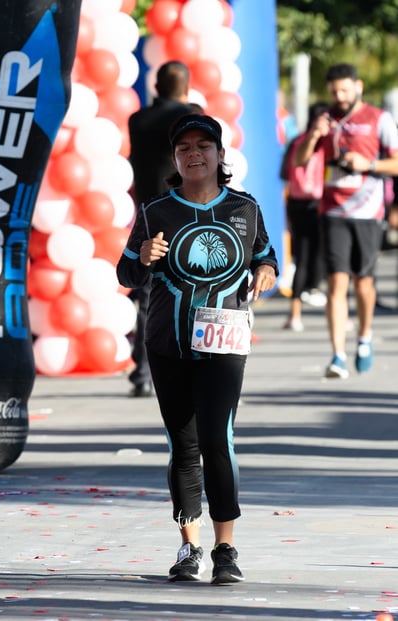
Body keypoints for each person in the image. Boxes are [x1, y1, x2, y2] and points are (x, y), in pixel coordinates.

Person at [117, 114, 278, 583]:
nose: (194, 154)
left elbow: (264, 255)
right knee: (183, 446)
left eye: (203, 146)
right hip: (167, 342)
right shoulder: (155, 211)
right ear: (175, 159)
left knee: (217, 439)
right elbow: (127, 274)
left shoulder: (245, 209)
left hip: (224, 341)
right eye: (184, 148)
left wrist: (266, 272)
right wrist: (142, 256)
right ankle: (190, 547)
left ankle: (226, 549)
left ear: (220, 155)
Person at [294, 63, 398, 378]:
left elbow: (396, 164)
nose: (339, 96)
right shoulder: (325, 120)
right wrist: (314, 135)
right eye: (334, 91)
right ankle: (338, 354)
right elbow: (300, 162)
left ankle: (364, 338)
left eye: (344, 90)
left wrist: (368, 164)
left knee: (363, 282)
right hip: (333, 211)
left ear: (358, 87)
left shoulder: (379, 119)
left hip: (368, 212)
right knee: (337, 281)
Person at [126, 61, 196, 397]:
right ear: (185, 87)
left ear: (156, 86)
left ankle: (141, 373)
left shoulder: (137, 119)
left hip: (147, 216)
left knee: (147, 295)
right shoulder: (190, 116)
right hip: (184, 215)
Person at [280, 102, 328, 332]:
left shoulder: (295, 141)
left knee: (302, 255)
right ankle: (315, 292)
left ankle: (295, 314)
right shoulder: (323, 143)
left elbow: (283, 172)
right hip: (318, 202)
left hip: (296, 202)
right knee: (328, 256)